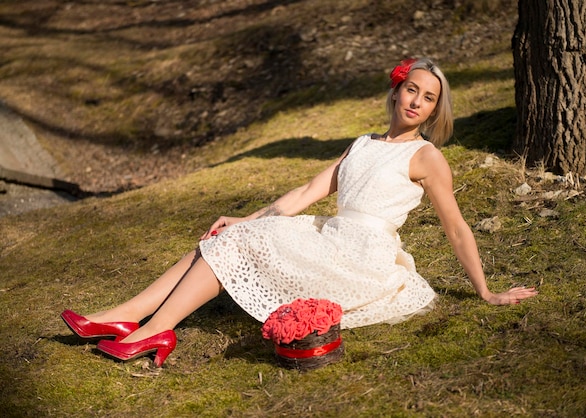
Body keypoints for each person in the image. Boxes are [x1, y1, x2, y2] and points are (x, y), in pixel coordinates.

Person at [61, 58, 538, 367]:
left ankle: (154, 330)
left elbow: (455, 227)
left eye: (429, 97)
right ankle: (125, 317)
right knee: (222, 238)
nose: (417, 101)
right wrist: (249, 218)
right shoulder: (363, 144)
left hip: (363, 256)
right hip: (329, 234)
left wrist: (487, 291)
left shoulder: (427, 156)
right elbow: (310, 190)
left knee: (234, 244)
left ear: (435, 110)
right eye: (412, 89)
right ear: (396, 92)